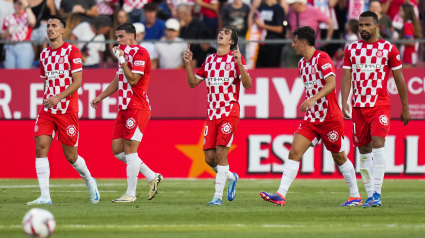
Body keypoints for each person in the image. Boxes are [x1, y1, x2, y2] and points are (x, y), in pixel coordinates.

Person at [259, 26, 361, 207]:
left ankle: (355, 195)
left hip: (329, 118)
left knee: (339, 157)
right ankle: (280, 194)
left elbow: (331, 84)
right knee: (294, 152)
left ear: (303, 43)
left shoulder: (322, 58)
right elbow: (312, 88)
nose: (292, 45)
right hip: (312, 119)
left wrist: (313, 99)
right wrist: (311, 102)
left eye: (295, 41)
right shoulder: (301, 64)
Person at [341, 11, 411, 208]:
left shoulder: (389, 49)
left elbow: (399, 79)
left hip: (379, 104)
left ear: (376, 26)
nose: (362, 28)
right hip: (358, 106)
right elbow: (346, 78)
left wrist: (405, 107)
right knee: (363, 150)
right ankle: (370, 194)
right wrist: (344, 100)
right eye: (360, 25)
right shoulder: (351, 49)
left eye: (367, 25)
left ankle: (377, 194)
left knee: (378, 143)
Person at [28, 15, 100, 205]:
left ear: (62, 30)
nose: (50, 29)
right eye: (48, 26)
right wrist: (47, 99)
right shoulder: (44, 54)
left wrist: (58, 97)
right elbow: (46, 81)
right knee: (41, 146)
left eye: (54, 26)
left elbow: (78, 81)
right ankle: (45, 196)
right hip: (48, 110)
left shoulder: (72, 51)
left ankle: (89, 180)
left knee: (71, 156)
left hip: (67, 110)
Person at [90, 23, 163, 203]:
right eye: (117, 37)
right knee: (117, 150)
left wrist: (122, 59)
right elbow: (118, 79)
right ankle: (152, 176)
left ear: (132, 36)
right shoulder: (122, 54)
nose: (118, 40)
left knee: (130, 151)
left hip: (137, 106)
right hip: (124, 108)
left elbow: (133, 79)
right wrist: (101, 97)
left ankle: (130, 194)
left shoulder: (140, 53)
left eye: (121, 36)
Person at [183, 26, 252, 205]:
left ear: (231, 42)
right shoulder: (210, 60)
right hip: (212, 114)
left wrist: (239, 65)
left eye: (226, 33)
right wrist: (188, 64)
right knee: (209, 158)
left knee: (222, 153)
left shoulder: (236, 58)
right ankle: (231, 177)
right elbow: (192, 83)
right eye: (220, 31)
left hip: (229, 112)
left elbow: (247, 84)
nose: (221, 33)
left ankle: (217, 197)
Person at [284, 0, 334, 68]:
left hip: (310, 49)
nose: (291, 6)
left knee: (311, 72)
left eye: (293, 4)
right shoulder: (290, 12)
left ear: (300, 3)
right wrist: (287, 33)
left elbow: (330, 22)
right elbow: (287, 24)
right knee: (290, 70)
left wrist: (327, 40)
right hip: (294, 48)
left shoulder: (313, 11)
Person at [1, 0, 36, 69]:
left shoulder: (27, 15)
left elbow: (32, 22)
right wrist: (8, 30)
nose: (17, 6)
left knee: (23, 73)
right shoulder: (8, 17)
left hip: (24, 47)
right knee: (9, 74)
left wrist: (26, 5)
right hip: (9, 47)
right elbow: (2, 36)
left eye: (20, 4)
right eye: (15, 3)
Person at [255, 0, 285, 68]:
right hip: (260, 44)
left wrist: (263, 26)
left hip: (273, 44)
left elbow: (279, 29)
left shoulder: (278, 8)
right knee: (259, 68)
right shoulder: (261, 7)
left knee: (272, 68)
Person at [399, 3, 422, 68]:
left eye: (401, 11)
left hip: (407, 56)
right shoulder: (411, 23)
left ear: (406, 12)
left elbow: (411, 42)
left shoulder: (407, 25)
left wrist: (398, 41)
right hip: (412, 55)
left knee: (406, 76)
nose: (399, 12)